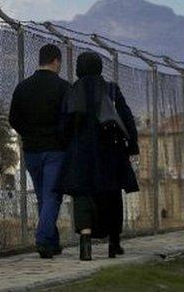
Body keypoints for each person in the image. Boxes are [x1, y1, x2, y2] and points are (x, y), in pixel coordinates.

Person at [56, 51, 140, 261]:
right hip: (109, 152)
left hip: (80, 152)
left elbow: (64, 123)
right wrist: (132, 144)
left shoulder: (73, 90)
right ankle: (114, 242)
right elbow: (126, 117)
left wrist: (65, 144)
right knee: (112, 194)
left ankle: (85, 243)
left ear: (79, 68)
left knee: (82, 194)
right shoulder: (111, 89)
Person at [9, 43, 70, 258]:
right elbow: (70, 119)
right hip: (55, 150)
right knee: (52, 195)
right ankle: (43, 240)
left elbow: (13, 119)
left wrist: (29, 133)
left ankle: (52, 241)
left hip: (32, 150)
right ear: (56, 61)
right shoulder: (64, 88)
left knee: (44, 196)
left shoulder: (23, 87)